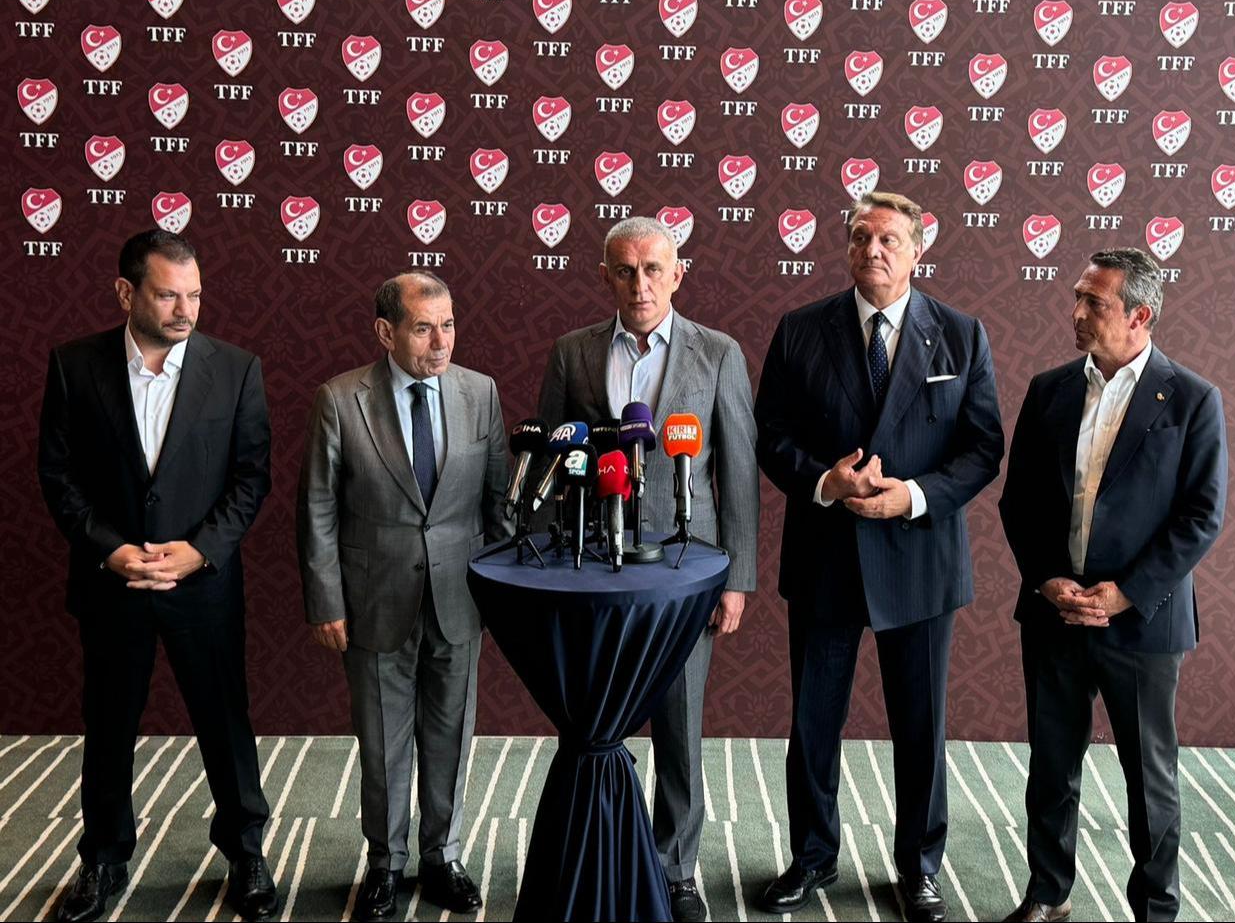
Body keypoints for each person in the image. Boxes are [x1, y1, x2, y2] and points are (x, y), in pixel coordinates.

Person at [754, 192, 1004, 922]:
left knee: (921, 725)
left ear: (918, 249)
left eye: (889, 239)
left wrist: (916, 496)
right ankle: (811, 855)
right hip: (826, 555)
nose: (874, 251)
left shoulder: (960, 334)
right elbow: (769, 433)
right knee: (813, 721)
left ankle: (919, 866)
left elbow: (983, 447)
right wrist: (824, 481)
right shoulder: (801, 330)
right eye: (861, 237)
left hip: (920, 559)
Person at [37, 230, 278, 922]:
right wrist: (109, 549)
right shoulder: (73, 368)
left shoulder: (236, 369)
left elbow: (250, 477)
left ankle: (246, 848)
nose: (185, 308)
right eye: (169, 293)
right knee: (108, 723)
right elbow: (59, 478)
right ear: (126, 292)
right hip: (112, 583)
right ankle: (104, 856)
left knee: (224, 721)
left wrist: (201, 550)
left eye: (195, 294)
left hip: (202, 584)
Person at [537, 216, 759, 922]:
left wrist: (737, 577)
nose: (640, 284)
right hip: (592, 569)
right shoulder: (570, 353)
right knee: (592, 722)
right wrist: (548, 566)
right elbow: (552, 460)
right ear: (604, 276)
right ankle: (591, 848)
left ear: (677, 273)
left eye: (653, 270)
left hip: (685, 574)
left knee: (679, 721)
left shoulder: (718, 353)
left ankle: (676, 865)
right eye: (625, 271)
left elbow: (740, 476)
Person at [999, 248, 1227, 923]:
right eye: (1077, 297)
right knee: (1051, 767)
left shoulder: (1192, 399)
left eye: (1093, 303)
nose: (1075, 313)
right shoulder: (1049, 389)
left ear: (1140, 315)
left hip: (1142, 621)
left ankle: (1156, 909)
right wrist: (1047, 579)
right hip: (1055, 613)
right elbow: (1021, 502)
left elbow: (1201, 515)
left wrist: (1126, 591)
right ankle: (1048, 893)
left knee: (1150, 777)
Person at [296, 271, 510, 922]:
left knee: (450, 733)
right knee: (383, 740)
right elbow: (318, 507)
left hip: (459, 596)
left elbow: (498, 499)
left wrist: (500, 594)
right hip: (371, 598)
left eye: (447, 324)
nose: (440, 340)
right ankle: (384, 864)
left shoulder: (481, 392)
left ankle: (441, 854)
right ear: (386, 332)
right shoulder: (340, 399)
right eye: (423, 327)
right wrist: (325, 597)